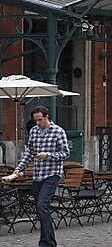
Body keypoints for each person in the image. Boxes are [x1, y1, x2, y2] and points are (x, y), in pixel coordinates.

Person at [2, 105, 69, 247]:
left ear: (46, 117)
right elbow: (29, 153)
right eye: (35, 120)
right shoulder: (34, 131)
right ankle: (46, 241)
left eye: (39, 120)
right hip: (37, 175)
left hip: (52, 174)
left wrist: (48, 155)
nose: (37, 123)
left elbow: (65, 153)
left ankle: (48, 243)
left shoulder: (58, 132)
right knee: (40, 209)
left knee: (42, 205)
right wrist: (18, 169)